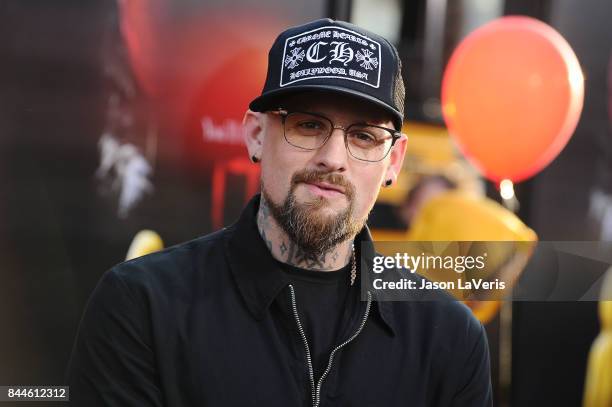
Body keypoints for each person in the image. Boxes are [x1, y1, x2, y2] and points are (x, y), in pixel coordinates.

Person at [67, 18, 493, 406]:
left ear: (393, 162)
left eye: (363, 136)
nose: (333, 158)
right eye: (308, 124)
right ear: (255, 135)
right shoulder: (142, 306)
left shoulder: (449, 338)